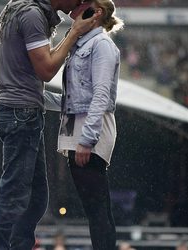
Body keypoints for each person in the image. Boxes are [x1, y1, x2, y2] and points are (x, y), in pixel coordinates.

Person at [0, 0, 100, 249]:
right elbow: (46, 70)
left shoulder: (24, 9)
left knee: (36, 198)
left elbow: (32, 80)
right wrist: (74, 32)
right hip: (20, 114)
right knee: (14, 195)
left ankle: (18, 245)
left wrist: (70, 102)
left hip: (21, 111)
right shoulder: (32, 15)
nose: (80, 3)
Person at [45, 0, 124, 249]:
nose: (75, 7)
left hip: (89, 133)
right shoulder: (82, 44)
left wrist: (87, 139)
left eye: (83, 5)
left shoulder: (100, 45)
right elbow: (74, 98)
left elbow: (100, 94)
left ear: (95, 12)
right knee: (95, 208)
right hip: (79, 130)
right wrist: (35, 96)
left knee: (97, 209)